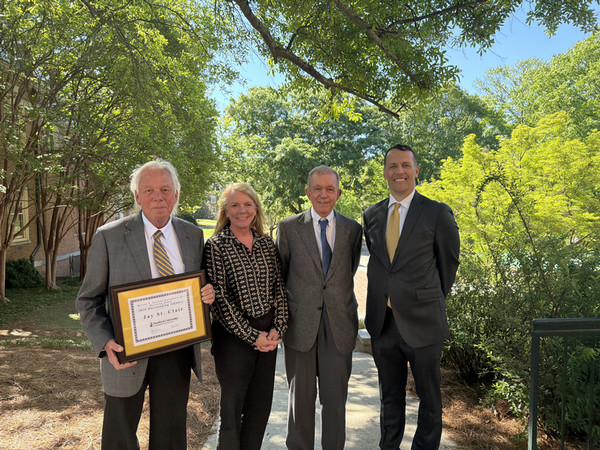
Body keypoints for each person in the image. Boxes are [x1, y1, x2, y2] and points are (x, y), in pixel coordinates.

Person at [75, 159, 216, 449]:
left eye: (165, 189)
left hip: (177, 350)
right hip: (126, 353)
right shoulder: (109, 236)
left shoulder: (193, 235)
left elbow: (199, 288)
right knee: (119, 436)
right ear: (137, 196)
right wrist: (105, 342)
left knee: (171, 435)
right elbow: (88, 299)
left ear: (176, 194)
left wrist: (207, 296)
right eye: (149, 190)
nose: (158, 196)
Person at [363, 145, 460, 449]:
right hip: (383, 323)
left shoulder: (437, 213)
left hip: (424, 322)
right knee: (389, 398)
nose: (399, 171)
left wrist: (428, 299)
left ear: (416, 171)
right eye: (393, 166)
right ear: (385, 172)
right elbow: (382, 265)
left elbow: (448, 264)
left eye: (405, 165)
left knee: (429, 400)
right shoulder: (371, 215)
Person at [276, 165, 362, 450]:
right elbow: (282, 274)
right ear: (307, 192)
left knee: (335, 402)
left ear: (338, 193)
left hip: (339, 325)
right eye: (317, 189)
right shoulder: (289, 227)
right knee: (300, 402)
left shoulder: (352, 229)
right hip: (300, 326)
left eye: (329, 189)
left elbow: (348, 270)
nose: (323, 195)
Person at [204, 182, 288, 450]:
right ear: (226, 211)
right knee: (232, 410)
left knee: (260, 407)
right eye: (235, 205)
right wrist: (253, 336)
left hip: (268, 335)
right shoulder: (216, 245)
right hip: (232, 338)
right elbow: (219, 299)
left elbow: (279, 288)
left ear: (256, 209)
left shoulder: (266, 243)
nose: (242, 210)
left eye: (248, 204)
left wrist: (278, 329)